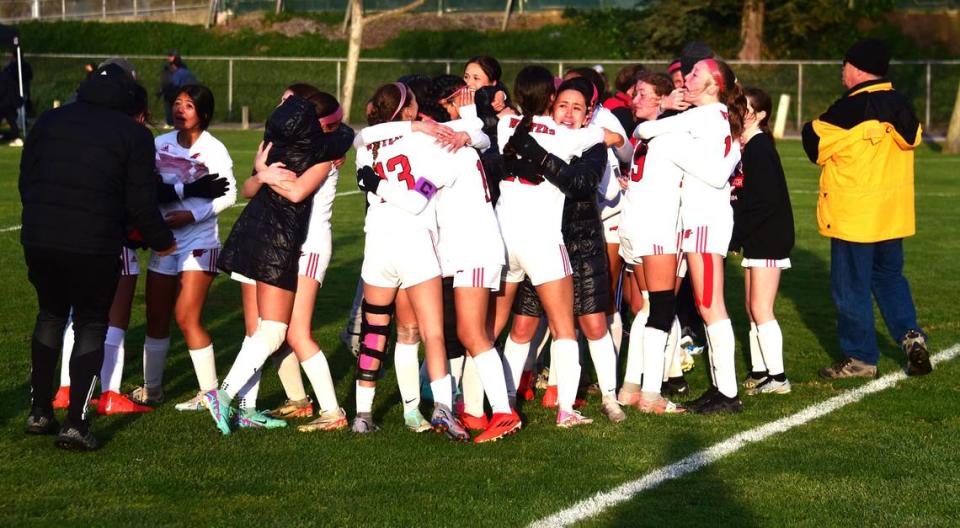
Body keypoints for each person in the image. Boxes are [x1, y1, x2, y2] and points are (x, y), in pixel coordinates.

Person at [20, 62, 176, 450]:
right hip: (94, 242)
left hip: (41, 236)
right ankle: (76, 422)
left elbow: (27, 180)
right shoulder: (132, 134)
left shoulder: (49, 120)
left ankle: (40, 411)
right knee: (91, 323)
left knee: (51, 315)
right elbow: (141, 202)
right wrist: (162, 240)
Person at [206, 92, 350, 435]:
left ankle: (317, 407)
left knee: (289, 332)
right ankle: (243, 401)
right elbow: (252, 189)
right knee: (271, 330)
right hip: (281, 244)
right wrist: (261, 174)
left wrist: (265, 174)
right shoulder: (299, 148)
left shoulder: (325, 151)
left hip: (306, 246)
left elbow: (298, 188)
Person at [802, 38, 931, 379]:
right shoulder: (901, 104)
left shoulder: (848, 110)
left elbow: (812, 142)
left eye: (844, 65)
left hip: (854, 215)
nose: (842, 72)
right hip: (892, 214)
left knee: (851, 288)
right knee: (890, 279)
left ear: (856, 68)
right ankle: (911, 336)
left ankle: (859, 358)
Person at [633, 59, 745, 415]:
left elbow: (646, 133)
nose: (687, 78)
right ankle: (720, 388)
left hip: (705, 222)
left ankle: (726, 393)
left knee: (711, 305)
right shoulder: (711, 117)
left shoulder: (706, 115)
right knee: (705, 304)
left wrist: (671, 139)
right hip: (698, 221)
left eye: (696, 73)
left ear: (714, 84)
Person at [127, 85, 237, 411]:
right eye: (177, 103)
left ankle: (210, 395)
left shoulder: (215, 149)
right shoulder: (158, 144)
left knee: (187, 317)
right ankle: (153, 390)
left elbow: (228, 195)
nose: (180, 110)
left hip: (201, 242)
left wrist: (192, 214)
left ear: (203, 113)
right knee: (156, 317)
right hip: (165, 242)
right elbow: (146, 187)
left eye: (189, 105)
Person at [730, 86, 795, 395]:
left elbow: (764, 203)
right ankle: (760, 371)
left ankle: (779, 378)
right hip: (758, 237)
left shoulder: (760, 148)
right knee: (750, 305)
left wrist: (736, 234)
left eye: (746, 108)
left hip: (769, 237)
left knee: (761, 306)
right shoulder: (749, 146)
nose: (740, 112)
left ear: (761, 115)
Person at [160, 51, 196, 127]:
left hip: (178, 94)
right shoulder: (187, 72)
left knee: (174, 108)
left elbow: (174, 85)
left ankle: (171, 123)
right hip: (191, 93)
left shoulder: (177, 74)